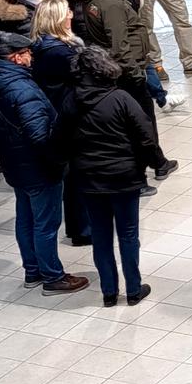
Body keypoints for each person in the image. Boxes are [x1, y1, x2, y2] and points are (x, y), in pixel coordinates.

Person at [0, 33, 88, 296]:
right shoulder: (21, 89)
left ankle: (33, 271)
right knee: (46, 223)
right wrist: (58, 160)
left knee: (26, 219)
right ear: (16, 57)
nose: (32, 58)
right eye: (28, 53)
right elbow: (40, 135)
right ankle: (53, 277)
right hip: (37, 167)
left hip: (15, 164)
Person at [78, 0, 178, 187]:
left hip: (116, 69)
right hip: (127, 73)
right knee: (140, 123)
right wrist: (136, 74)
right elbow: (120, 45)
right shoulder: (110, 4)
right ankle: (142, 174)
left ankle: (158, 161)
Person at [71, 45, 159, 307]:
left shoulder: (71, 100)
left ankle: (109, 292)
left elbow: (59, 137)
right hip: (124, 177)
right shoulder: (121, 98)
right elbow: (145, 136)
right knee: (129, 233)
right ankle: (133, 289)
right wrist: (154, 163)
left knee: (100, 236)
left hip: (89, 179)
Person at [30, 0, 91, 247]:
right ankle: (82, 228)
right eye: (66, 13)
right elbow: (84, 76)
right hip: (68, 114)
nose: (71, 16)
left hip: (61, 111)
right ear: (56, 19)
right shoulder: (59, 51)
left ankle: (80, 225)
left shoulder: (44, 46)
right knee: (77, 173)